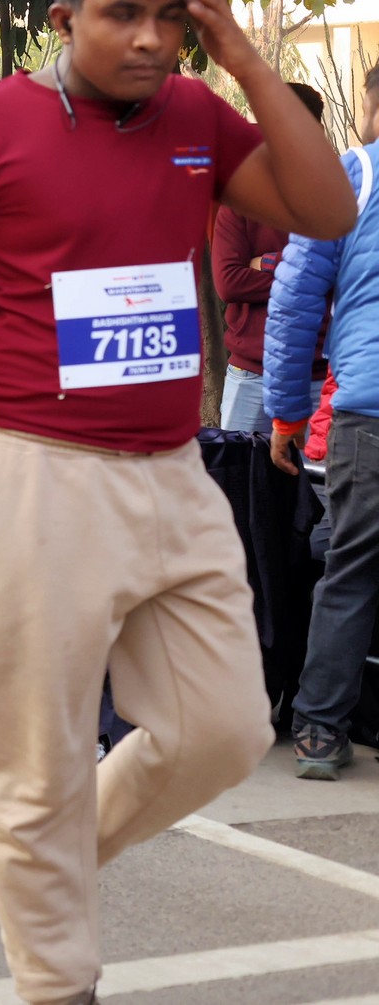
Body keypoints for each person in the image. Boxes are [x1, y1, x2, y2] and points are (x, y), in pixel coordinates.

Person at [0, 0, 355, 1005]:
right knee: (34, 761)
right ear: (62, 17)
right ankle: (56, 976)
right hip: (28, 473)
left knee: (225, 726)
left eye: (168, 18)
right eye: (121, 13)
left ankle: (48, 855)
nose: (147, 39)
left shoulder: (196, 115)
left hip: (170, 472)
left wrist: (241, 58)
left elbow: (325, 210)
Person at [263, 61, 379, 780]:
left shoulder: (352, 175)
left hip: (367, 410)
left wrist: (287, 411)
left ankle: (318, 729)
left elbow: (294, 298)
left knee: (352, 568)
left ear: (374, 103)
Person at [213, 81, 331, 432]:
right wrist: (309, 274)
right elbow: (229, 282)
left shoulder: (338, 196)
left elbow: (342, 271)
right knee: (240, 467)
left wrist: (265, 263)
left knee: (322, 471)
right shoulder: (241, 197)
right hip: (252, 374)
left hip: (322, 375)